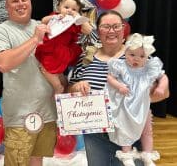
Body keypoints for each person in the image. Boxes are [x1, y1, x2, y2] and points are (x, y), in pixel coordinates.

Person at [67, 10, 169, 166]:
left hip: (131, 131)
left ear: (123, 29)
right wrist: (76, 87)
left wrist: (137, 98)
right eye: (106, 26)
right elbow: (69, 89)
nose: (111, 31)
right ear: (98, 30)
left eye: (116, 26)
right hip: (96, 134)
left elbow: (163, 93)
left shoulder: (137, 56)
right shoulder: (86, 57)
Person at [0, 0, 57, 166]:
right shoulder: (1, 31)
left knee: (37, 160)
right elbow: (3, 63)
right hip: (20, 115)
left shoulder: (44, 27)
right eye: (15, 1)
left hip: (48, 112)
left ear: (30, 2)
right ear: (7, 6)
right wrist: (35, 39)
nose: (20, 4)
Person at [107, 33, 166, 166]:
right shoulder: (120, 65)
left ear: (147, 56)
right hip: (125, 107)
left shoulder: (149, 67)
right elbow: (110, 77)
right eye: (132, 55)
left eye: (142, 56)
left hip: (143, 107)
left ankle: (147, 154)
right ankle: (127, 154)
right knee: (124, 129)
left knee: (147, 131)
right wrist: (119, 86)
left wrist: (161, 87)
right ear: (125, 52)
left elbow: (163, 77)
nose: (136, 59)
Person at [35, 0, 95, 94]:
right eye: (66, 7)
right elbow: (43, 20)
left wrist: (78, 17)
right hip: (50, 46)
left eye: (74, 9)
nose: (69, 11)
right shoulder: (55, 15)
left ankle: (57, 87)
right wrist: (54, 18)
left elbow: (88, 30)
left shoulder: (74, 22)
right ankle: (61, 85)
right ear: (59, 7)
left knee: (46, 69)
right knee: (51, 70)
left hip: (61, 50)